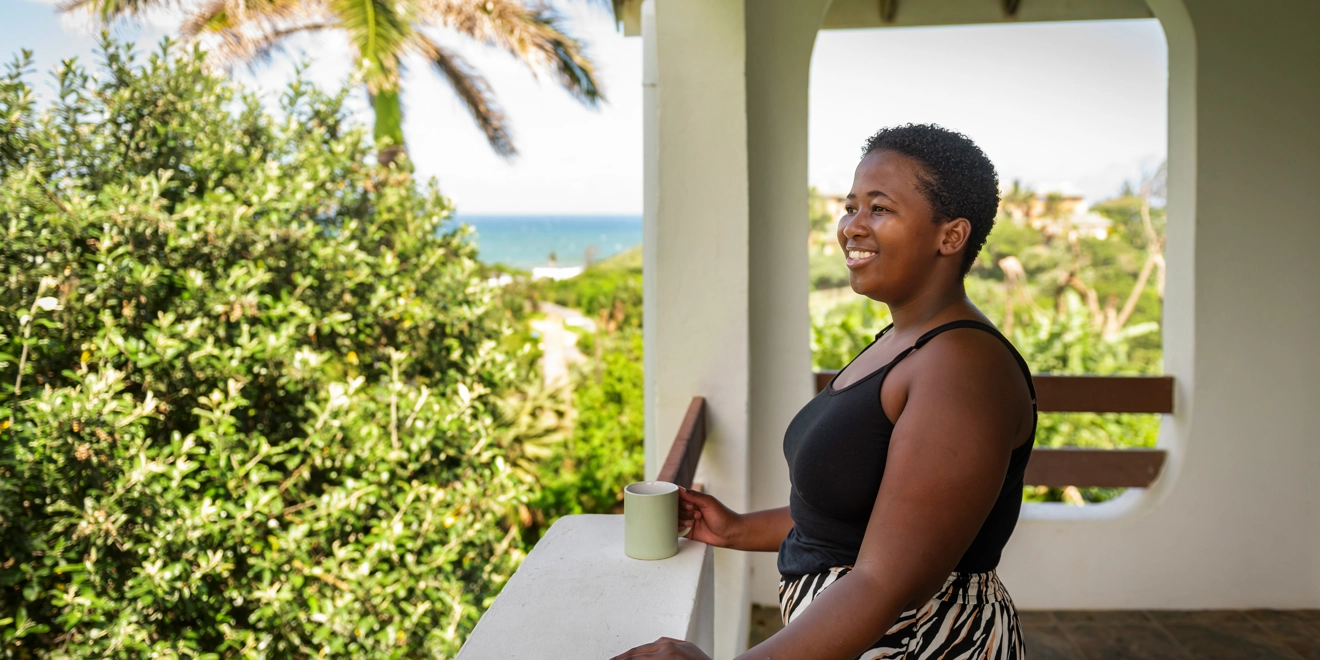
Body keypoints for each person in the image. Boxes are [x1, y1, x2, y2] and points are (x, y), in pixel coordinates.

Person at [611, 124, 1035, 660]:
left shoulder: (961, 369)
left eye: (879, 209)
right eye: (850, 206)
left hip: (921, 645)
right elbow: (864, 510)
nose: (852, 227)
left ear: (949, 237)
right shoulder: (904, 342)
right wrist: (738, 529)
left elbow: (885, 583)